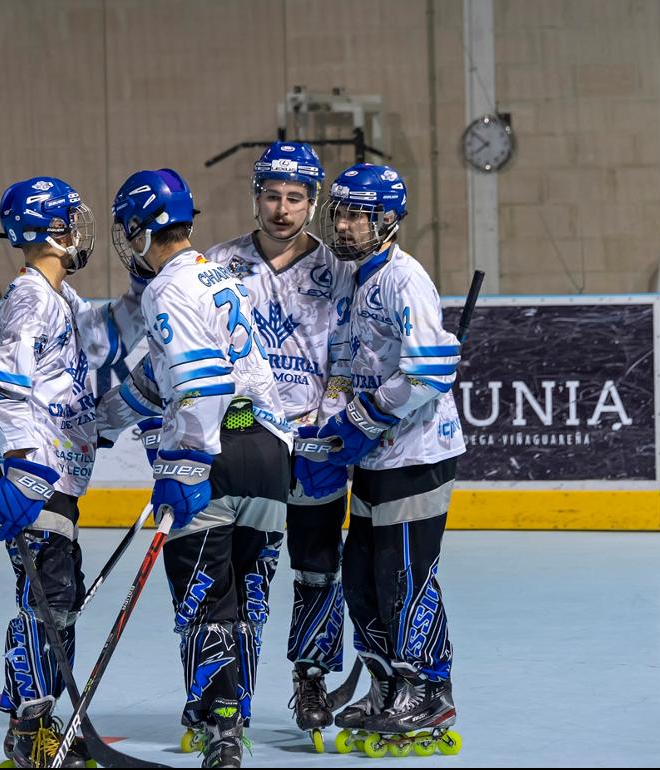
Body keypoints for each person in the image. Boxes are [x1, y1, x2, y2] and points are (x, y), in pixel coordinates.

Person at [100, 168, 292, 768]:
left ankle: (220, 727)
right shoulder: (218, 274)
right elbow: (164, 376)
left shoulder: (164, 290)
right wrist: (102, 422)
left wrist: (185, 463)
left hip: (214, 454)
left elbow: (201, 381)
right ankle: (228, 711)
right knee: (247, 596)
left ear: (141, 229)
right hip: (267, 451)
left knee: (206, 601)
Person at [0, 176, 144, 768]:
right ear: (49, 231)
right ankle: (29, 732)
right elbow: (1, 383)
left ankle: (37, 719)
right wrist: (22, 464)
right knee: (44, 604)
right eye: (70, 221)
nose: (79, 230)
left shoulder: (61, 298)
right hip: (41, 479)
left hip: (62, 479)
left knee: (60, 602)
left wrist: (145, 290)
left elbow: (104, 337)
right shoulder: (30, 298)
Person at [299, 163, 466, 745]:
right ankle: (386, 683)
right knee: (362, 578)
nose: (344, 225)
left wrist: (363, 419)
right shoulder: (353, 279)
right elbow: (347, 367)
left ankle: (429, 690)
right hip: (374, 458)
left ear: (388, 220)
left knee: (404, 576)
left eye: (357, 215)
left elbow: (427, 373)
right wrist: (329, 428)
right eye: (340, 213)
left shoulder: (405, 279)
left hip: (417, 454)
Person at [200, 142, 357, 744]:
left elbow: (349, 354)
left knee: (318, 565)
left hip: (315, 440)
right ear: (256, 197)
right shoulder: (218, 264)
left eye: (295, 198)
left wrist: (331, 421)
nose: (282, 209)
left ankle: (311, 677)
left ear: (312, 204)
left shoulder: (339, 269)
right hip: (248, 436)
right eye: (272, 196)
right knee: (243, 571)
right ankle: (224, 692)